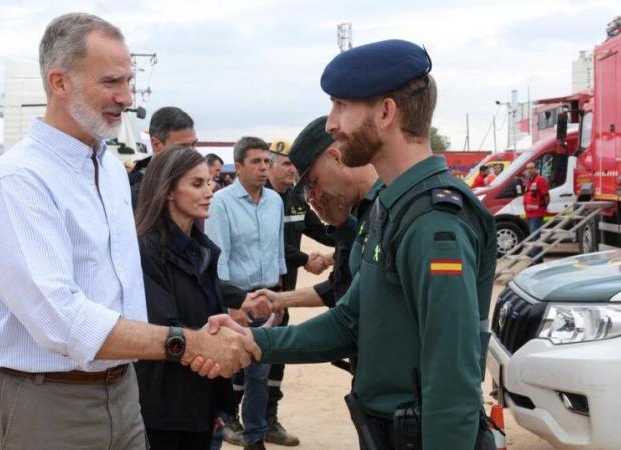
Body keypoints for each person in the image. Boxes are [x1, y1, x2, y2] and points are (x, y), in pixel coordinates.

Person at [0, 13, 259, 450]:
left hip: (124, 392)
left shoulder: (109, 171)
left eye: (129, 81)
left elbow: (123, 292)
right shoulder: (21, 181)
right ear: (59, 82)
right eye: (111, 82)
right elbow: (63, 320)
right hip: (48, 405)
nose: (127, 98)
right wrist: (185, 341)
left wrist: (201, 322)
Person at [201, 39, 498, 450]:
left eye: (341, 105)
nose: (331, 124)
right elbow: (349, 321)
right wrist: (254, 341)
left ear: (385, 112)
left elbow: (452, 377)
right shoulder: (391, 208)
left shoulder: (434, 223)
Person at [134, 146, 235, 449]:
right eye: (196, 184)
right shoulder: (145, 251)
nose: (209, 191)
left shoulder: (202, 250)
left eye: (208, 182)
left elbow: (211, 320)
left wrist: (215, 400)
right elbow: (164, 328)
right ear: (167, 191)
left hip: (199, 398)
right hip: (162, 405)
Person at [206, 136, 285, 450]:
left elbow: (277, 249)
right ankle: (221, 429)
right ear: (237, 166)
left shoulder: (275, 201)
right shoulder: (221, 202)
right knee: (226, 368)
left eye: (266, 161)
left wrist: (278, 293)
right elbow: (218, 256)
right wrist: (230, 304)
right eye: (256, 161)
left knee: (259, 373)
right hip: (236, 298)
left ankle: (255, 437)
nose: (264, 167)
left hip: (266, 297)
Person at [254, 118, 379, 311]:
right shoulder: (355, 209)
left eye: (314, 181)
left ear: (336, 158)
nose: (314, 195)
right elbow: (340, 287)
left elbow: (345, 313)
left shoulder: (385, 210)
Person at [262, 139, 337, 447]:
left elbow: (319, 230)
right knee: (248, 355)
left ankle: (268, 418)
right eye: (286, 164)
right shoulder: (260, 200)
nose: (293, 170)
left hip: (284, 292)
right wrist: (307, 259)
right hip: (259, 292)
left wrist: (347, 238)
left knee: (276, 354)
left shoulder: (295, 199)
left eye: (294, 165)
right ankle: (232, 418)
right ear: (269, 165)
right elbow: (270, 245)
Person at [130, 106, 198, 206]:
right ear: (156, 145)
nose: (192, 153)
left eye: (194, 144)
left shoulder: (198, 182)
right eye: (182, 147)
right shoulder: (129, 191)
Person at [523, 161, 549, 262]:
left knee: (535, 238)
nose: (529, 170)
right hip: (529, 214)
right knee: (533, 237)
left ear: (536, 169)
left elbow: (546, 196)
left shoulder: (540, 180)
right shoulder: (529, 181)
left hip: (537, 214)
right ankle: (535, 258)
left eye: (531, 168)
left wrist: (543, 208)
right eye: (527, 168)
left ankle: (536, 260)